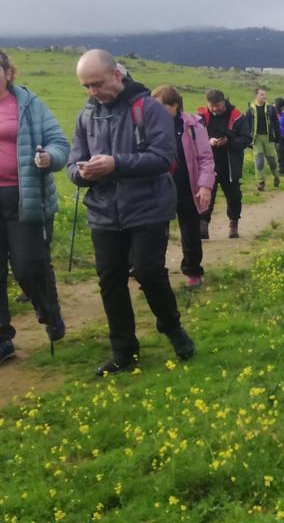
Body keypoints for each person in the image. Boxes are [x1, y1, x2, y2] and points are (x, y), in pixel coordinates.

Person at [69, 50, 194, 375]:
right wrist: (81, 174)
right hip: (103, 211)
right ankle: (124, 351)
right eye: (86, 86)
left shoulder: (149, 110)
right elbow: (73, 163)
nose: (93, 91)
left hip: (148, 206)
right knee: (110, 279)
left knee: (148, 271)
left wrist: (116, 163)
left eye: (97, 83)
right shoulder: (86, 116)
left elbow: (164, 158)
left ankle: (171, 327)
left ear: (117, 75)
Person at [0, 50, 68, 363]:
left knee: (29, 266)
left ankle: (48, 312)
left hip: (24, 197)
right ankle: (3, 339)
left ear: (8, 73)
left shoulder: (29, 103)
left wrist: (49, 158)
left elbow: (58, 142)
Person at [151, 86, 214, 288]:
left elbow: (205, 158)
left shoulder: (193, 126)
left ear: (174, 105)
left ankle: (193, 271)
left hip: (187, 185)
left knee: (190, 231)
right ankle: (154, 272)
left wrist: (205, 186)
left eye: (160, 106)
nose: (155, 110)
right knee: (156, 232)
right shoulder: (149, 126)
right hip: (159, 187)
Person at [197, 89, 251, 239]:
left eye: (218, 105)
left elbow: (246, 139)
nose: (215, 109)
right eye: (212, 106)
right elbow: (193, 137)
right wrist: (208, 141)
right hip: (208, 165)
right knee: (206, 195)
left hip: (230, 164)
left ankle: (233, 223)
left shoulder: (237, 117)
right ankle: (203, 225)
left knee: (233, 196)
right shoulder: (201, 116)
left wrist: (229, 142)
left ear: (224, 101)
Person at [245, 87, 280, 191]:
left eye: (264, 94)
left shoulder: (270, 108)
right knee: (259, 162)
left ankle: (276, 176)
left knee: (272, 161)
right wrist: (247, 140)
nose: (264, 96)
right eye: (262, 94)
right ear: (256, 96)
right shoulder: (250, 110)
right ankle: (261, 182)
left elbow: (276, 124)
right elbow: (246, 126)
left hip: (268, 137)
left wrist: (278, 137)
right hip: (256, 139)